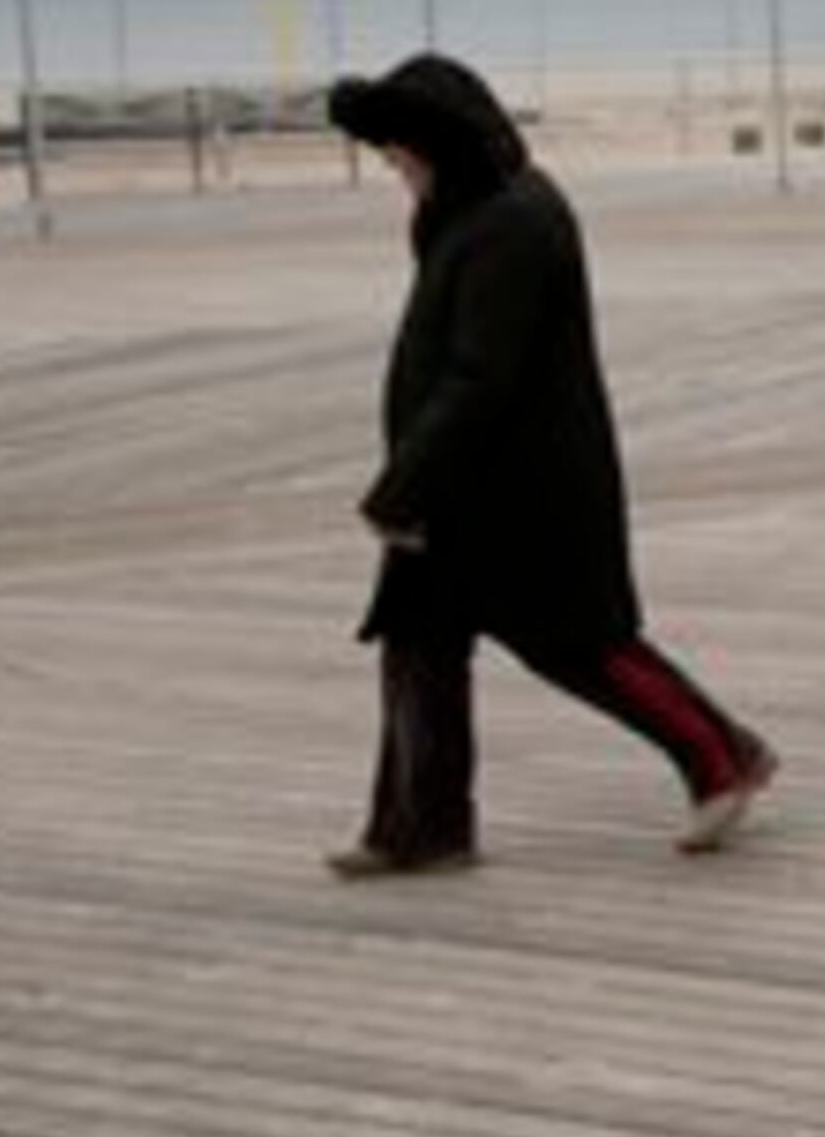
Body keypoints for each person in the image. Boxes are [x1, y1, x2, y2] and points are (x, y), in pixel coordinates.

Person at [323, 53, 776, 876]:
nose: (391, 164)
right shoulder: (464, 209)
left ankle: (722, 756)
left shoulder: (514, 224)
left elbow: (479, 377)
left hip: (520, 488)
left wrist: (401, 488)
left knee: (576, 642)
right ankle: (422, 825)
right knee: (419, 644)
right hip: (460, 486)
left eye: (398, 150)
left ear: (442, 146)